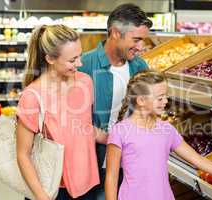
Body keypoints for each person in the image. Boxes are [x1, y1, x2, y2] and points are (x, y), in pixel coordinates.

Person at [105, 70, 212, 200]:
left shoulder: (166, 129)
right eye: (160, 98)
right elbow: (111, 177)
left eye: (165, 96)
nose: (165, 101)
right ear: (141, 100)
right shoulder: (120, 131)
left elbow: (197, 159)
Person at [16, 24, 107, 200]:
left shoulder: (85, 82)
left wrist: (115, 138)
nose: (80, 64)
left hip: (88, 183)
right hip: (52, 188)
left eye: (80, 56)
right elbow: (23, 154)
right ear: (50, 58)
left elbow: (84, 128)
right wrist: (42, 197)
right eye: (72, 60)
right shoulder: (33, 97)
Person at [78, 3, 153, 198]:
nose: (141, 47)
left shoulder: (140, 66)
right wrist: (110, 139)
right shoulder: (83, 65)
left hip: (126, 163)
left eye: (143, 40)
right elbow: (71, 120)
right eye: (136, 39)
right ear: (115, 33)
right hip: (88, 163)